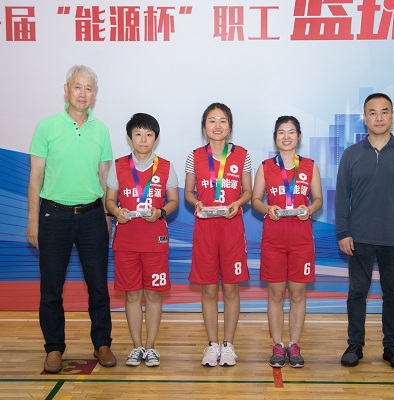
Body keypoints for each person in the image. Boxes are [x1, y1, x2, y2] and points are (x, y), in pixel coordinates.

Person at [27, 65, 116, 373]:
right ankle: (54, 348)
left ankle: (102, 343)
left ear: (95, 94)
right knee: (51, 289)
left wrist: (107, 216)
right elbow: (36, 176)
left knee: (98, 287)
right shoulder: (46, 127)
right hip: (54, 216)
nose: (83, 94)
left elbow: (104, 177)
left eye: (89, 89)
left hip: (92, 217)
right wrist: (33, 220)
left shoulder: (101, 130)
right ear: (66, 90)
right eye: (77, 87)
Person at [335, 93, 394, 370]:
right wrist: (343, 232)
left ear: (392, 115)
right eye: (372, 112)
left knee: (393, 294)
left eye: (384, 112)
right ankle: (355, 345)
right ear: (364, 118)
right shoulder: (351, 154)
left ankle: (391, 346)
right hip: (358, 237)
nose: (379, 117)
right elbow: (341, 196)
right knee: (356, 293)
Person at [105, 113, 179, 367]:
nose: (143, 139)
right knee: (132, 295)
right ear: (130, 138)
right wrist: (116, 212)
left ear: (155, 138)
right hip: (126, 241)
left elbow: (174, 201)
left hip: (155, 241)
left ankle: (151, 347)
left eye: (149, 134)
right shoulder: (118, 166)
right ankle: (136, 347)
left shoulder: (166, 167)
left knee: (154, 295)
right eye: (138, 134)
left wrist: (161, 212)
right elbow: (109, 200)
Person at [251, 116, 323, 368]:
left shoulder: (310, 166)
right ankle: (278, 345)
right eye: (281, 132)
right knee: (275, 293)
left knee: (298, 294)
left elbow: (318, 199)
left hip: (301, 239)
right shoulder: (265, 167)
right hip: (274, 239)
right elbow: (255, 200)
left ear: (299, 136)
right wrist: (267, 208)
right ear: (275, 137)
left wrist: (309, 209)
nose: (286, 137)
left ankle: (294, 344)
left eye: (291, 132)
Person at [184, 102, 252, 367]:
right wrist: (197, 203)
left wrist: (239, 202)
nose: (217, 126)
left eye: (222, 120)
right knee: (209, 289)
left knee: (232, 288)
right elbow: (188, 192)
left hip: (232, 226)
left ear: (230, 126)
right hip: (205, 228)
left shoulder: (243, 154)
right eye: (211, 120)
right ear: (204, 127)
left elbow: (248, 191)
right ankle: (212, 345)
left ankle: (228, 345)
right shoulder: (194, 156)